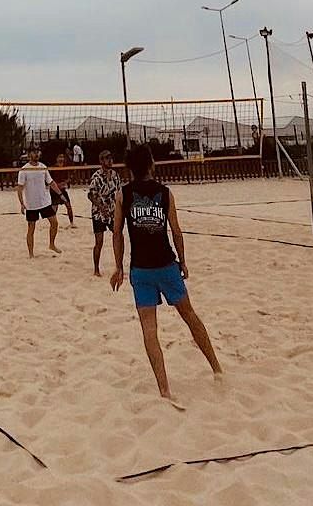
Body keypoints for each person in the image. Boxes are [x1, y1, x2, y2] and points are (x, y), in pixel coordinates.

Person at [111, 145, 222, 405]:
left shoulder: (122, 195)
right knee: (189, 316)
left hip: (140, 270)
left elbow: (117, 233)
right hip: (165, 266)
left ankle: (164, 390)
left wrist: (118, 267)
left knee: (150, 330)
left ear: (130, 168)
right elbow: (176, 231)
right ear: (151, 164)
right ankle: (216, 368)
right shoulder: (165, 193)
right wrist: (183, 262)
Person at [16, 146, 60, 257]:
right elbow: (20, 188)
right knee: (31, 229)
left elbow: (51, 182)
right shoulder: (24, 170)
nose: (36, 154)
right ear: (29, 154)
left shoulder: (43, 167)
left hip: (44, 202)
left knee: (54, 223)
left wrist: (60, 194)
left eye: (37, 152)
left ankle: (52, 244)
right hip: (31, 204)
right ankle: (31, 254)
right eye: (34, 152)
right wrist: (22, 203)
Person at [87, 150, 122, 276]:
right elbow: (90, 195)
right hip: (98, 213)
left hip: (113, 212)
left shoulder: (115, 175)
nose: (110, 161)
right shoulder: (96, 177)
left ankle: (119, 267)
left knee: (118, 237)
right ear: (101, 161)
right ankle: (96, 269)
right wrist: (101, 207)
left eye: (111, 158)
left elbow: (119, 193)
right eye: (107, 159)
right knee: (99, 242)